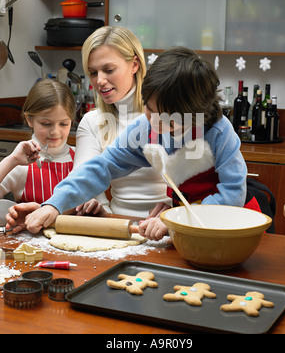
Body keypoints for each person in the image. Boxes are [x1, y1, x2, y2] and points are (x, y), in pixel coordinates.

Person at [7, 47, 258, 240]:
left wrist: (178, 216)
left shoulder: (218, 131)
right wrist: (56, 202)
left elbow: (233, 193)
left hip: (229, 227)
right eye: (149, 109)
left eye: (169, 122)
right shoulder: (144, 129)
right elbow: (102, 167)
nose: (156, 125)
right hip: (183, 229)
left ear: (195, 115)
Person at [73, 25, 170, 217]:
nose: (100, 80)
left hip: (170, 224)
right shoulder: (92, 121)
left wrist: (173, 214)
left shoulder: (168, 115)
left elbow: (197, 183)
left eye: (108, 70)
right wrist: (103, 213)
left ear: (135, 65)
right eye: (93, 73)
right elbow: (82, 180)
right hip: (116, 227)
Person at [0, 79, 102, 216]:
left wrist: (93, 205)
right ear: (29, 120)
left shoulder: (81, 157)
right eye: (46, 123)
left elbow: (98, 201)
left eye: (63, 124)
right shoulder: (21, 165)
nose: (55, 132)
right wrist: (12, 160)